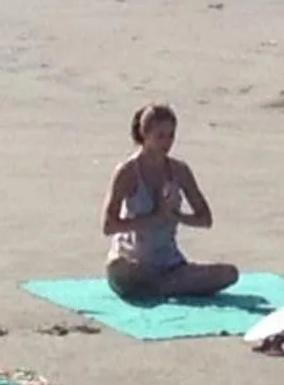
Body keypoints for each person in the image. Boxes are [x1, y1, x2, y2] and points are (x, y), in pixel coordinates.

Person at [101, 102, 238, 301]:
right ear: (144, 134)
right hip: (132, 262)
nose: (167, 143)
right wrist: (153, 218)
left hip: (168, 264)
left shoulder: (179, 170)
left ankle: (161, 287)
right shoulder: (127, 172)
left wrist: (177, 216)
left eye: (171, 136)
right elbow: (108, 226)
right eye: (160, 136)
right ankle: (161, 286)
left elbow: (205, 219)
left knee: (229, 274)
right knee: (118, 269)